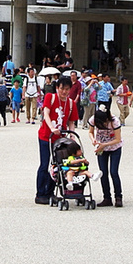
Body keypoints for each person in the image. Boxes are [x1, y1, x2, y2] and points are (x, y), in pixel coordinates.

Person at [35, 76, 77, 204]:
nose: (64, 92)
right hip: (46, 136)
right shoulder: (50, 97)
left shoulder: (70, 103)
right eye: (62, 88)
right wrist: (52, 127)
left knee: (58, 166)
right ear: (57, 88)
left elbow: (71, 121)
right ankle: (40, 193)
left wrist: (72, 135)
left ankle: (50, 192)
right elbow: (46, 113)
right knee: (45, 164)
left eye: (67, 89)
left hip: (61, 139)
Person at [92, 103, 124, 207]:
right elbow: (90, 132)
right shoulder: (94, 119)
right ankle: (107, 197)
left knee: (113, 172)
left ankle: (118, 197)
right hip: (101, 148)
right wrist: (94, 140)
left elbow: (117, 139)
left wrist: (104, 145)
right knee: (103, 173)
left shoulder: (114, 121)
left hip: (114, 147)